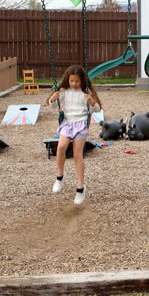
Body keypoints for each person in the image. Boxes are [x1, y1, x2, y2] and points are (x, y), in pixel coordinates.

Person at [48, 65, 102, 205]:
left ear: (82, 81)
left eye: (77, 81)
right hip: (67, 123)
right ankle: (60, 176)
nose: (74, 84)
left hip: (80, 124)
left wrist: (91, 102)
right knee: (61, 147)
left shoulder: (86, 92)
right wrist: (53, 99)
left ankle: (80, 188)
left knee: (78, 155)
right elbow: (52, 105)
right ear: (68, 79)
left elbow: (97, 109)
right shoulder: (65, 90)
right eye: (72, 81)